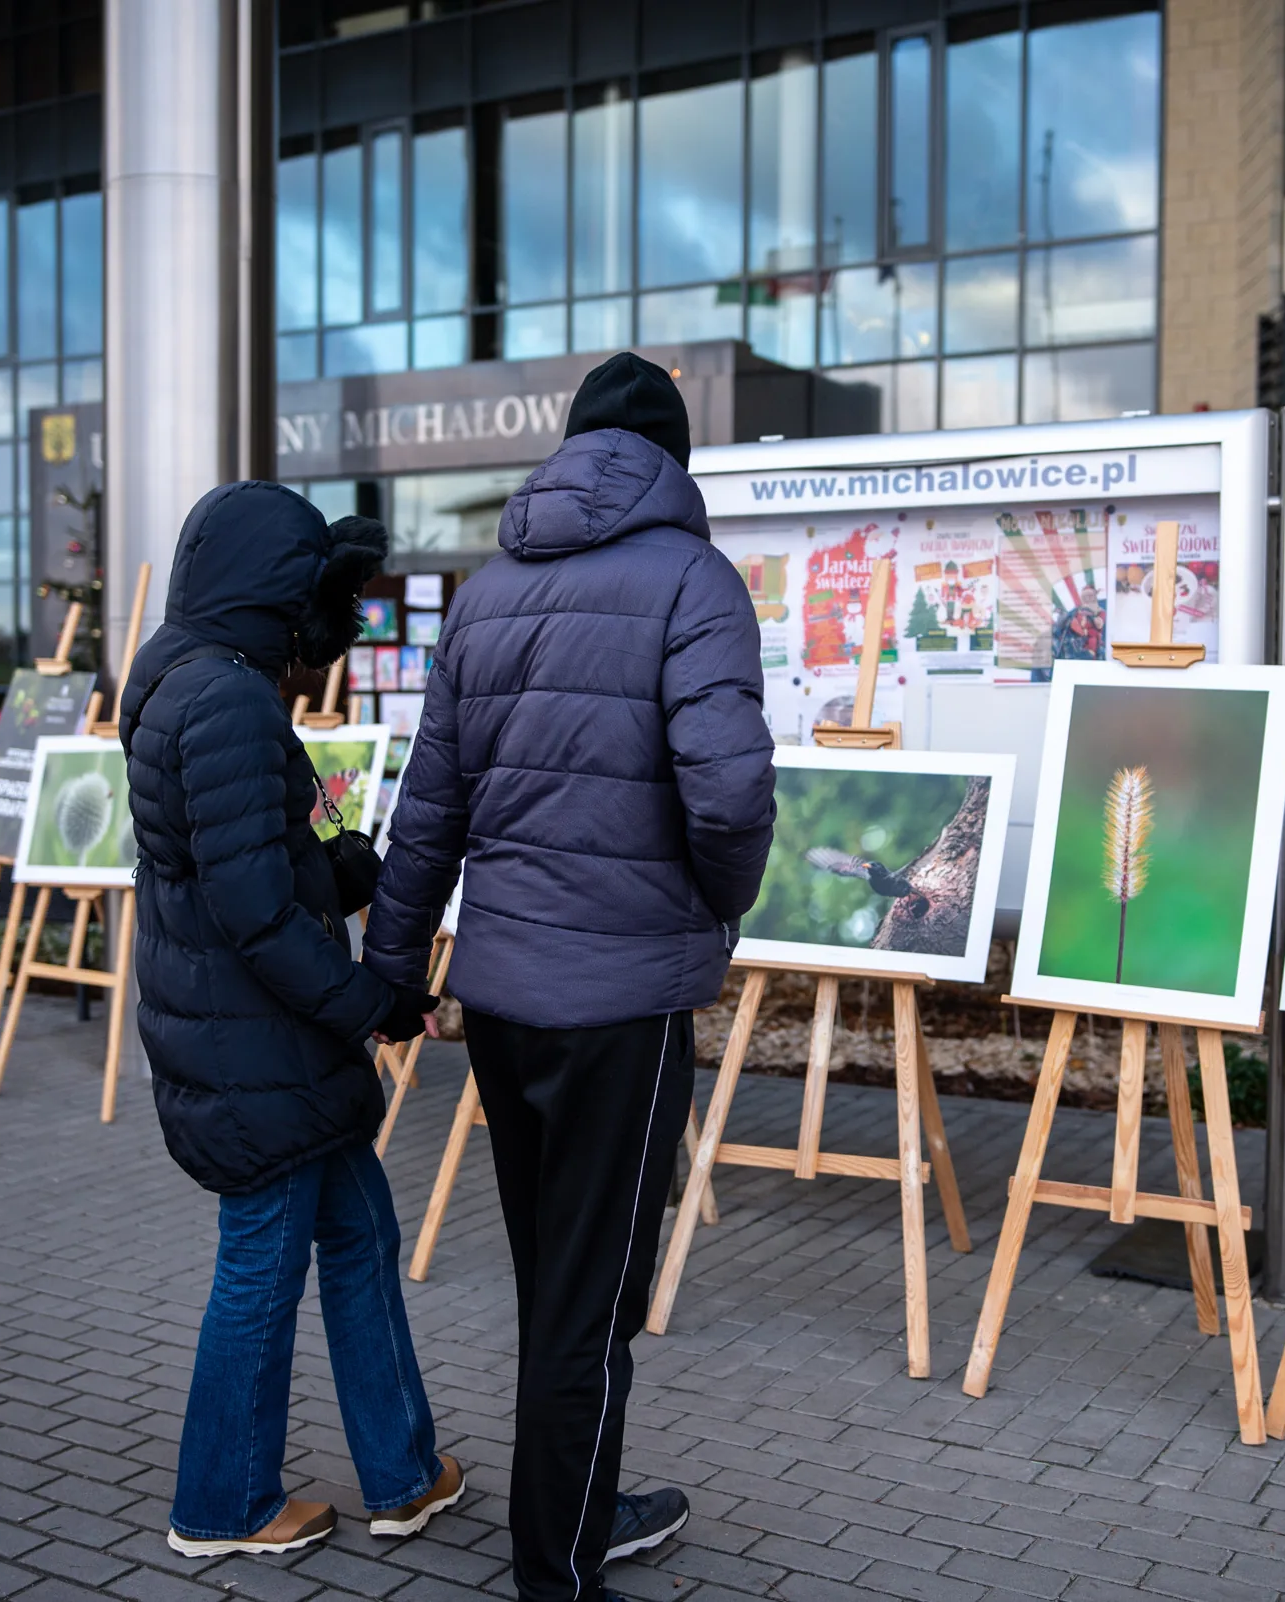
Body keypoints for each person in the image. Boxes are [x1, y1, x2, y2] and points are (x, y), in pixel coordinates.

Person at [364, 352, 777, 1602]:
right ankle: (558, 1569)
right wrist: (717, 906)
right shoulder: (695, 581)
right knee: (594, 1302)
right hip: (622, 1005)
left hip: (501, 995)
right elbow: (732, 791)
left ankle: (583, 1510)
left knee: (561, 1279)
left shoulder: (485, 597)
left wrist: (392, 966)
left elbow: (425, 811)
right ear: (671, 460)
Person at [117, 483, 461, 1559]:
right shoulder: (222, 700)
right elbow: (256, 914)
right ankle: (224, 1505)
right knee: (262, 1262)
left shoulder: (197, 676)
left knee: (360, 1236)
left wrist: (359, 866)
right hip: (253, 1049)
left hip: (265, 1050)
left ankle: (403, 1471)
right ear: (280, 594)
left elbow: (268, 857)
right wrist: (381, 1005)